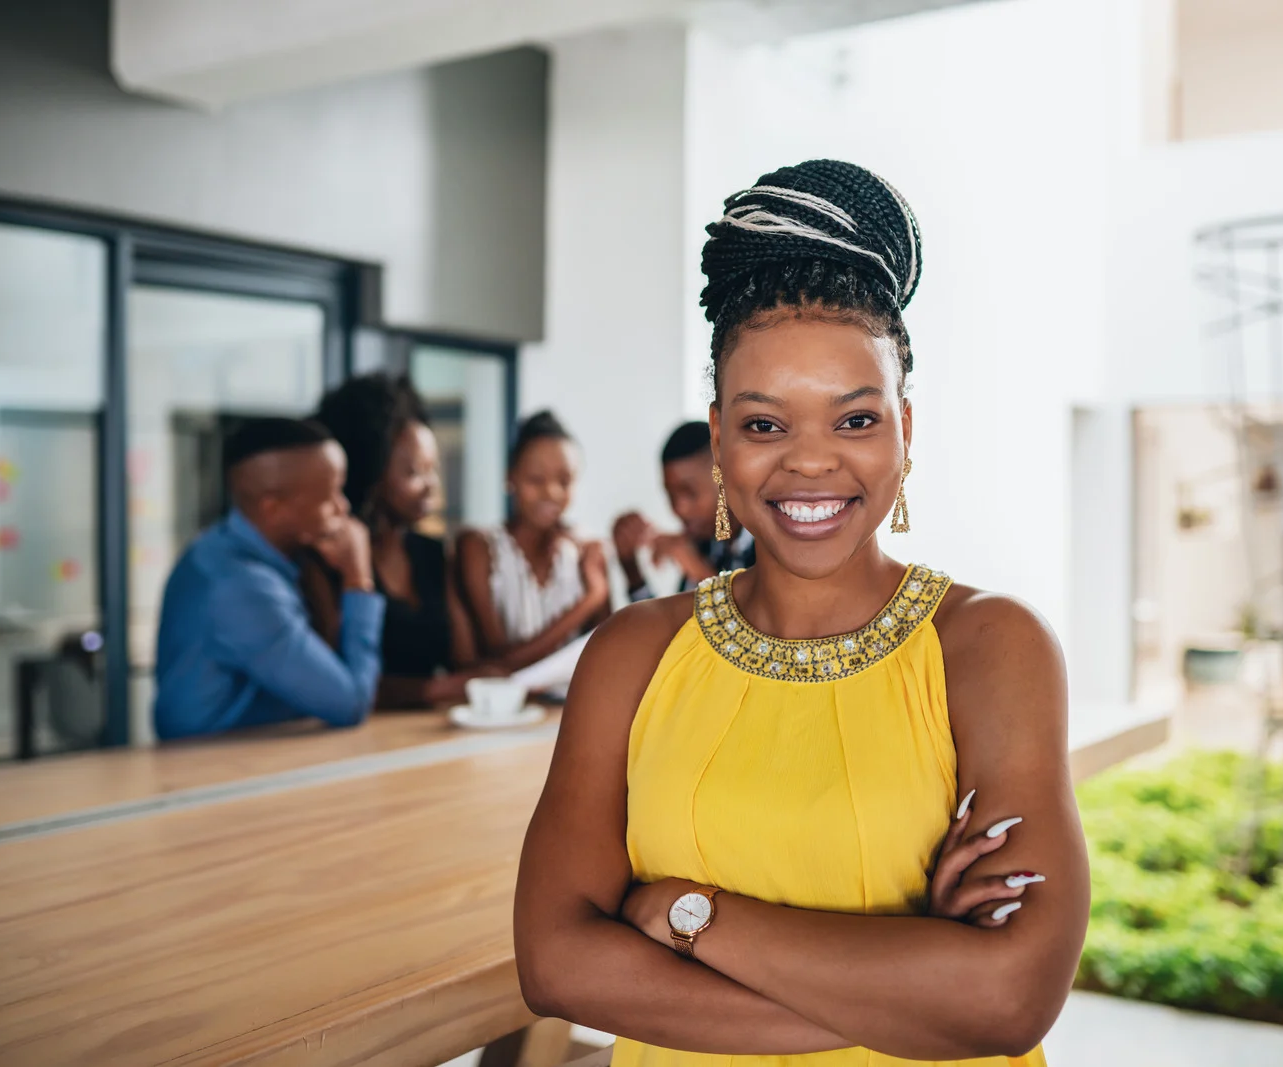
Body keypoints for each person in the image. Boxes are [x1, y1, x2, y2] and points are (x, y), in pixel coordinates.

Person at [514, 160, 1086, 1066]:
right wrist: (918, 981)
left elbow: (1011, 996)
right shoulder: (631, 652)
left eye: (854, 420)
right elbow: (554, 964)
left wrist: (680, 916)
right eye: (765, 424)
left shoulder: (990, 645)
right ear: (716, 439)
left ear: (906, 425)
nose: (810, 464)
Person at [153, 417, 383, 740]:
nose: (343, 508)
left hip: (253, 756)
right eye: (329, 495)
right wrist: (358, 577)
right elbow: (351, 703)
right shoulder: (241, 588)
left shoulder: (223, 550)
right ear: (273, 509)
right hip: (208, 769)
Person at [314, 373, 496, 706]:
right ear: (368, 471)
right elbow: (326, 679)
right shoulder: (324, 562)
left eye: (433, 469)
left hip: (424, 737)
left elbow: (466, 662)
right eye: (413, 472)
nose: (432, 485)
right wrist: (438, 689)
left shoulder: (433, 554)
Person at [456, 411, 610, 672]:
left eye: (565, 480)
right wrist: (592, 598)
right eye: (536, 479)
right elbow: (501, 660)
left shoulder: (587, 552)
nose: (552, 492)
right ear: (510, 478)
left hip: (569, 706)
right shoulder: (479, 547)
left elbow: (606, 655)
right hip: (500, 707)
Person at [612, 420, 755, 602]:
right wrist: (631, 570)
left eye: (690, 493)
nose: (679, 509)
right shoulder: (705, 544)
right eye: (670, 495)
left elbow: (752, 626)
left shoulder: (771, 547)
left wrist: (699, 570)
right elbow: (670, 628)